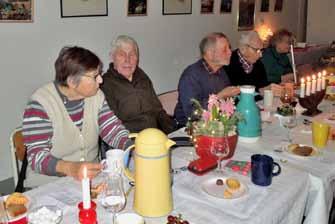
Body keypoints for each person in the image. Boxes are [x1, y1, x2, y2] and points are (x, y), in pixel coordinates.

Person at [22, 46, 131, 188]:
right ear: (72, 82)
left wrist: (132, 146)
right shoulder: (40, 104)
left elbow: (112, 130)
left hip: (89, 181)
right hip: (49, 186)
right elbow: (36, 157)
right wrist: (70, 168)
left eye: (100, 74)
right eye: (94, 76)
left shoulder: (96, 96)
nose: (100, 81)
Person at [101, 35, 175, 134]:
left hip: (156, 136)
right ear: (112, 57)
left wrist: (172, 134)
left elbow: (158, 111)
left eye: (132, 55)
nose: (127, 60)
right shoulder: (106, 84)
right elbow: (113, 126)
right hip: (130, 140)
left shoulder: (142, 77)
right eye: (122, 55)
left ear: (137, 58)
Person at [174, 32, 240, 127]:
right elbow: (193, 113)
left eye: (229, 48)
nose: (230, 52)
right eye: (225, 50)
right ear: (209, 54)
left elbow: (227, 105)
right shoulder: (191, 75)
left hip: (215, 124)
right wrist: (220, 96)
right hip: (189, 128)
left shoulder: (221, 72)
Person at [224, 31, 282, 95]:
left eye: (261, 50)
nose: (261, 55)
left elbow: (264, 85)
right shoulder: (229, 63)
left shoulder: (259, 64)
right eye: (257, 50)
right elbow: (232, 94)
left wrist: (273, 87)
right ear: (244, 48)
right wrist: (259, 91)